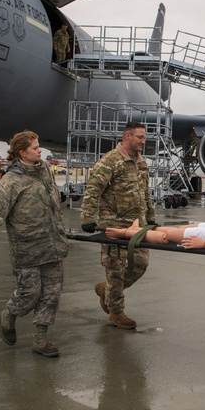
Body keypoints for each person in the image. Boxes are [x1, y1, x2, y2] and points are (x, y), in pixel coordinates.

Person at [0, 130, 69, 358]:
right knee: (29, 294)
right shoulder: (11, 181)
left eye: (39, 146)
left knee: (51, 294)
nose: (40, 150)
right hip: (27, 249)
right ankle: (9, 314)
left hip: (52, 245)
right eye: (35, 148)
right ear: (22, 152)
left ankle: (41, 339)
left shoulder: (44, 171)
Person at [80, 122, 155, 330]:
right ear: (127, 136)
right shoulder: (111, 160)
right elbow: (94, 188)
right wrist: (87, 217)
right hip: (113, 225)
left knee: (140, 265)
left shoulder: (141, 162)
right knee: (115, 270)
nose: (143, 141)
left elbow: (146, 193)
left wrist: (151, 217)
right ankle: (116, 312)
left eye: (144, 138)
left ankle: (106, 290)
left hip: (136, 226)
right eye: (140, 137)